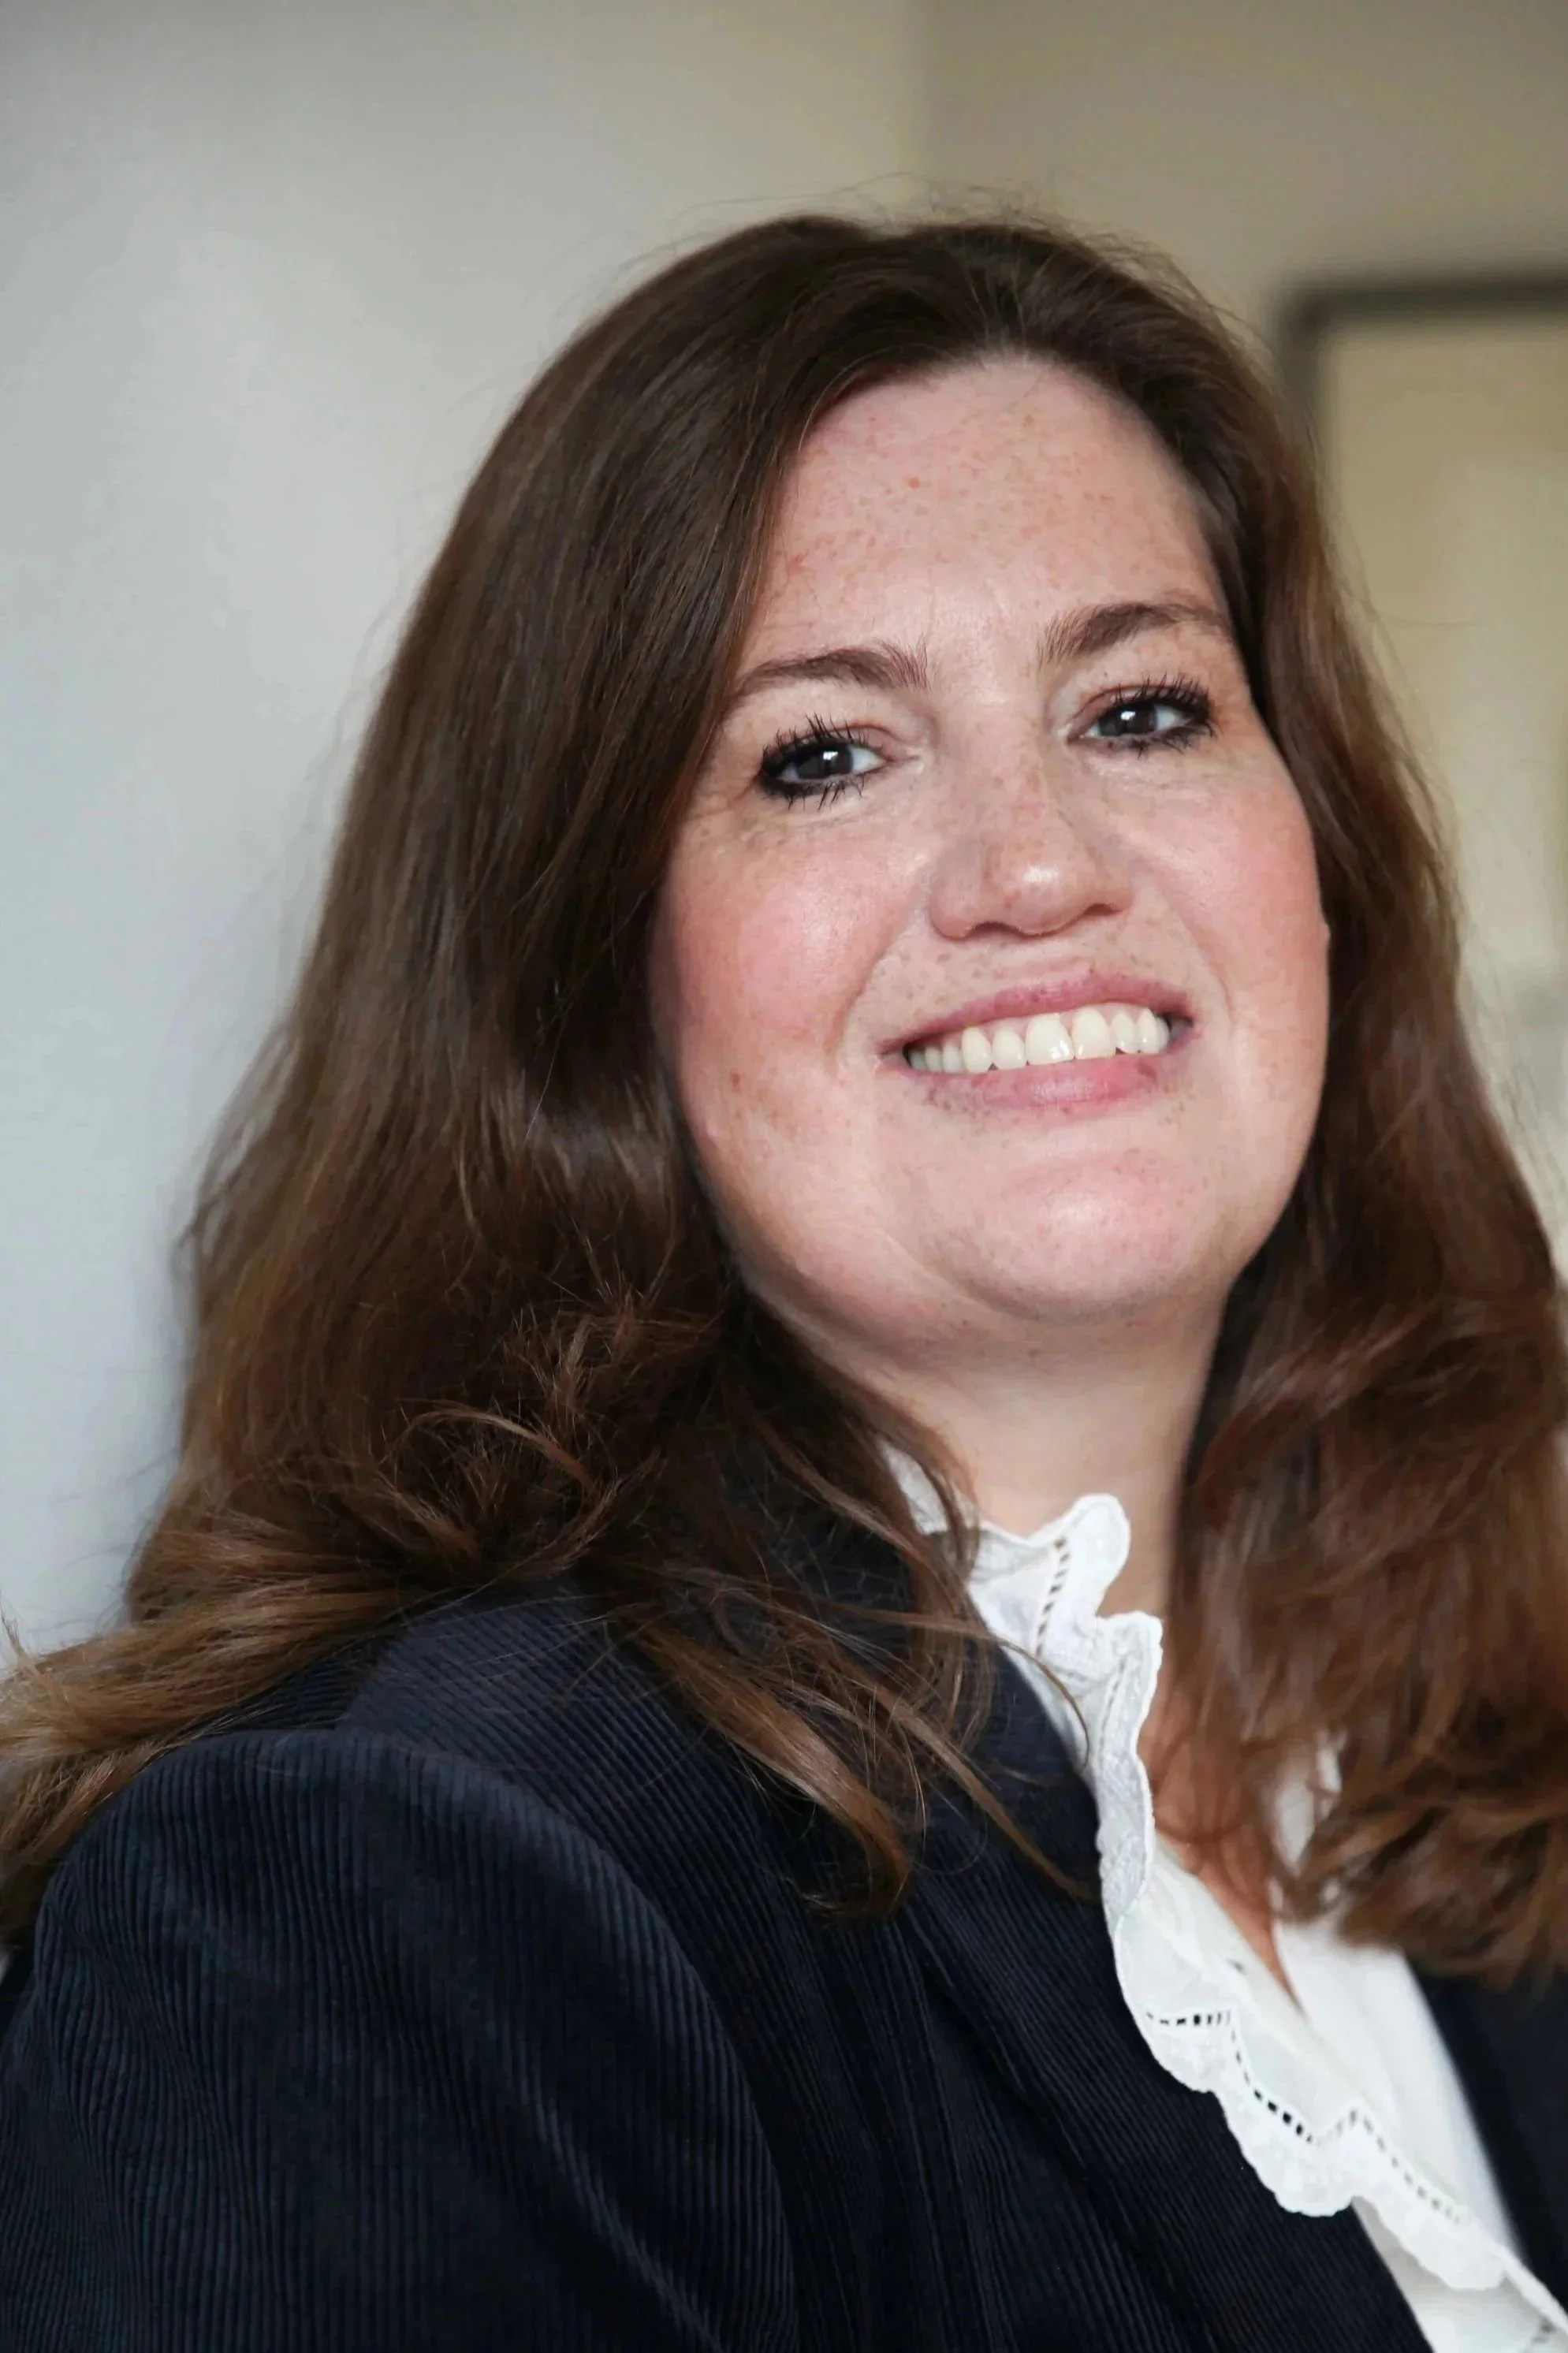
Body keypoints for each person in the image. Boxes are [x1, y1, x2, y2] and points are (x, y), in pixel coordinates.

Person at [1, 212, 1565, 2353]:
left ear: (1321, 873)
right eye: (820, 753)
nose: (1037, 865)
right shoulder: (394, 1874)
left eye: (1139, 705)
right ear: (586, 971)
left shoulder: (1465, 1757)